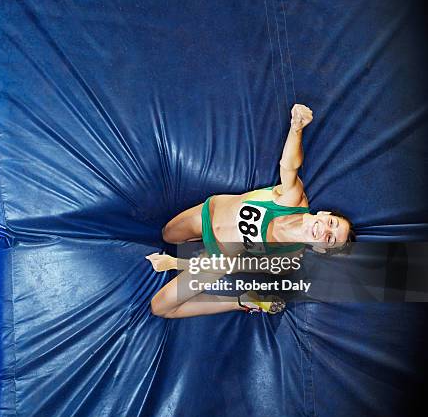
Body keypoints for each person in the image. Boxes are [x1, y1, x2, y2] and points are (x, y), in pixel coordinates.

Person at [147, 104, 355, 318]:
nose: (324, 232)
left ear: (320, 249)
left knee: (160, 308)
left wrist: (175, 263)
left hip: (217, 259)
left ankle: (241, 302)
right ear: (323, 214)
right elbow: (289, 165)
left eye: (330, 239)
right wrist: (296, 129)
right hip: (207, 215)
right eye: (332, 224)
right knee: (167, 235)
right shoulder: (293, 199)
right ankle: (192, 241)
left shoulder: (288, 257)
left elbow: (235, 265)